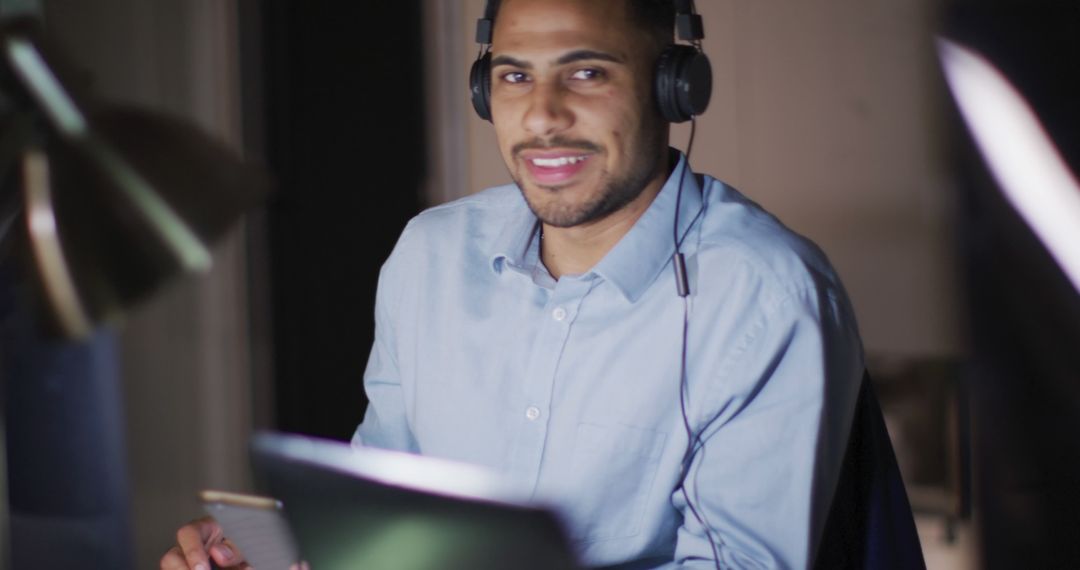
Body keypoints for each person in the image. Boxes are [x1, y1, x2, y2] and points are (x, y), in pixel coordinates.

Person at [162, 0, 916, 568]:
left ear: (673, 88)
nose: (543, 116)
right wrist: (278, 549)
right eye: (514, 75)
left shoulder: (766, 294)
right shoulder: (430, 256)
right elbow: (385, 505)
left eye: (586, 72)